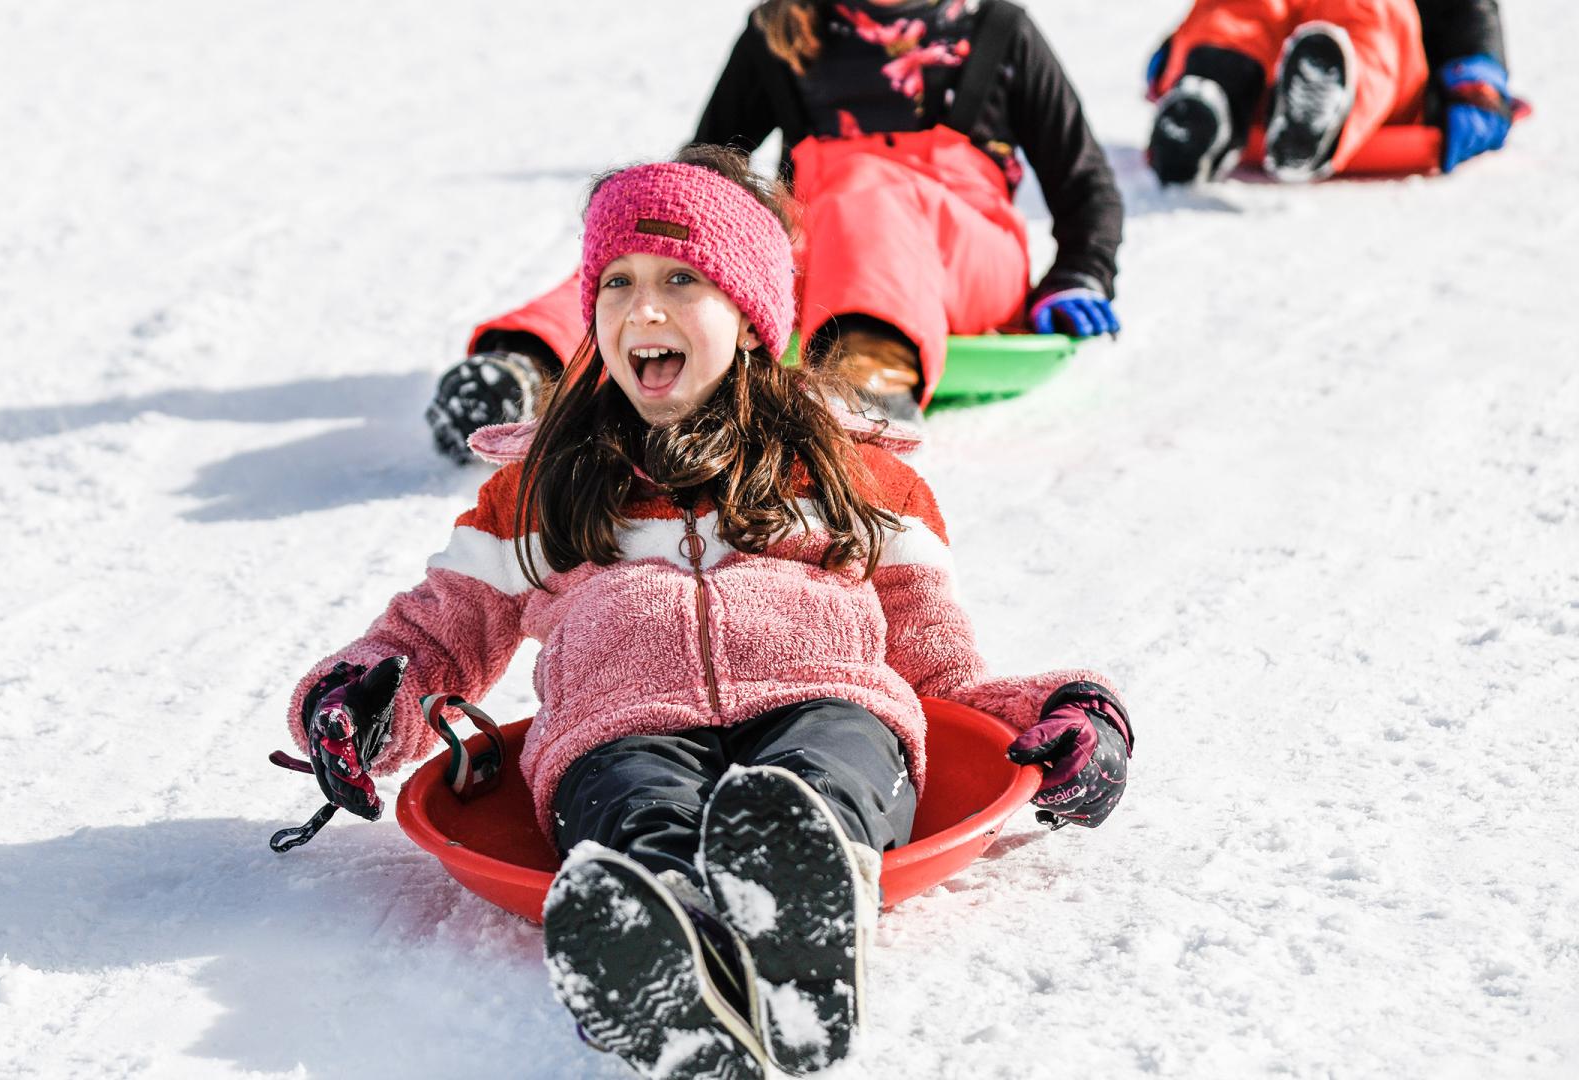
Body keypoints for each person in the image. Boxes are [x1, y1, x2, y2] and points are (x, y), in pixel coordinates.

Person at [287, 147, 1133, 1079]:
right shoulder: (545, 488)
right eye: (617, 281)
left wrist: (1062, 714)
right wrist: (362, 704)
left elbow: (939, 673)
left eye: (680, 279)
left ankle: (798, 912)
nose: (642, 309)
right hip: (619, 725)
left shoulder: (858, 479)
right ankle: (666, 953)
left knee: (815, 783)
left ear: (752, 312)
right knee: (633, 802)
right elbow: (434, 639)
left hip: (828, 704)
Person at [427, 0, 1124, 461]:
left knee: (861, 184)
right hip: (825, 242)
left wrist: (1080, 275)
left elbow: (1083, 180)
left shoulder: (998, 30)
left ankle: (868, 373)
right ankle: (530, 366)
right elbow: (702, 173)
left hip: (961, 253)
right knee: (686, 240)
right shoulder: (786, 26)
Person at [1146, 0, 1512, 183]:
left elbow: (1467, 12)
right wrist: (1176, 49)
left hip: (1386, 98)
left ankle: (1324, 110)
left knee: (1370, 15)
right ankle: (1210, 97)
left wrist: (1477, 83)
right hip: (1267, 71)